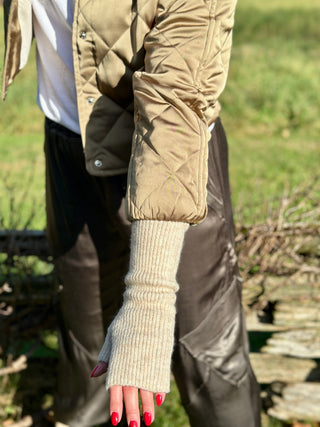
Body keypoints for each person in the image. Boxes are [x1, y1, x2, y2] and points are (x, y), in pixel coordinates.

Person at [2, 0, 261, 426]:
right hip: (69, 145)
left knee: (209, 364)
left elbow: (176, 105)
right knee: (87, 362)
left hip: (174, 164)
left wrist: (149, 299)